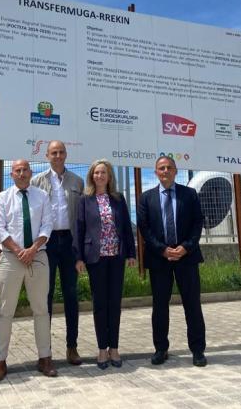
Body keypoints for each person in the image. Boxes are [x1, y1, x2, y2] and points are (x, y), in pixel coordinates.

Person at [137, 155, 207, 367]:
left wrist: (186, 247)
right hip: (160, 260)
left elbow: (198, 223)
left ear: (175, 171)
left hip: (187, 257)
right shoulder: (146, 198)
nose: (165, 171)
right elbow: (144, 228)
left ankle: (197, 351)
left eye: (169, 168)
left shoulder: (190, 194)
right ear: (156, 173)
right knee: (160, 306)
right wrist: (162, 250)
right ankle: (161, 348)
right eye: (161, 168)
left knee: (192, 305)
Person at [0, 159, 56, 382]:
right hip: (11, 258)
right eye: (17, 170)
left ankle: (45, 358)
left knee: (41, 309)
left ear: (30, 172)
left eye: (25, 169)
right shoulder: (3, 198)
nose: (21, 173)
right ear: (12, 175)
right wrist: (20, 251)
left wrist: (33, 249)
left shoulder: (42, 196)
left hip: (38, 257)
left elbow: (47, 225)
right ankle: (0, 361)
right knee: (5, 311)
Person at [75, 159, 136, 369]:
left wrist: (131, 253)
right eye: (96, 173)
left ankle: (115, 348)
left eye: (103, 173)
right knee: (100, 304)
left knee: (114, 303)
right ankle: (102, 349)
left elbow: (127, 227)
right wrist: (79, 258)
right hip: (95, 258)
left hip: (117, 257)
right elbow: (79, 229)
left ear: (109, 176)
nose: (99, 176)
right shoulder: (85, 200)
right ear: (92, 176)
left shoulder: (118, 199)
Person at [30, 141, 84, 365]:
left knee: (71, 295)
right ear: (47, 155)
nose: (58, 156)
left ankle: (72, 347)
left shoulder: (77, 182)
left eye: (61, 152)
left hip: (70, 242)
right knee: (46, 295)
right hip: (47, 242)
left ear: (66, 154)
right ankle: (46, 351)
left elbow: (81, 217)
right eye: (54, 153)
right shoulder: (37, 181)